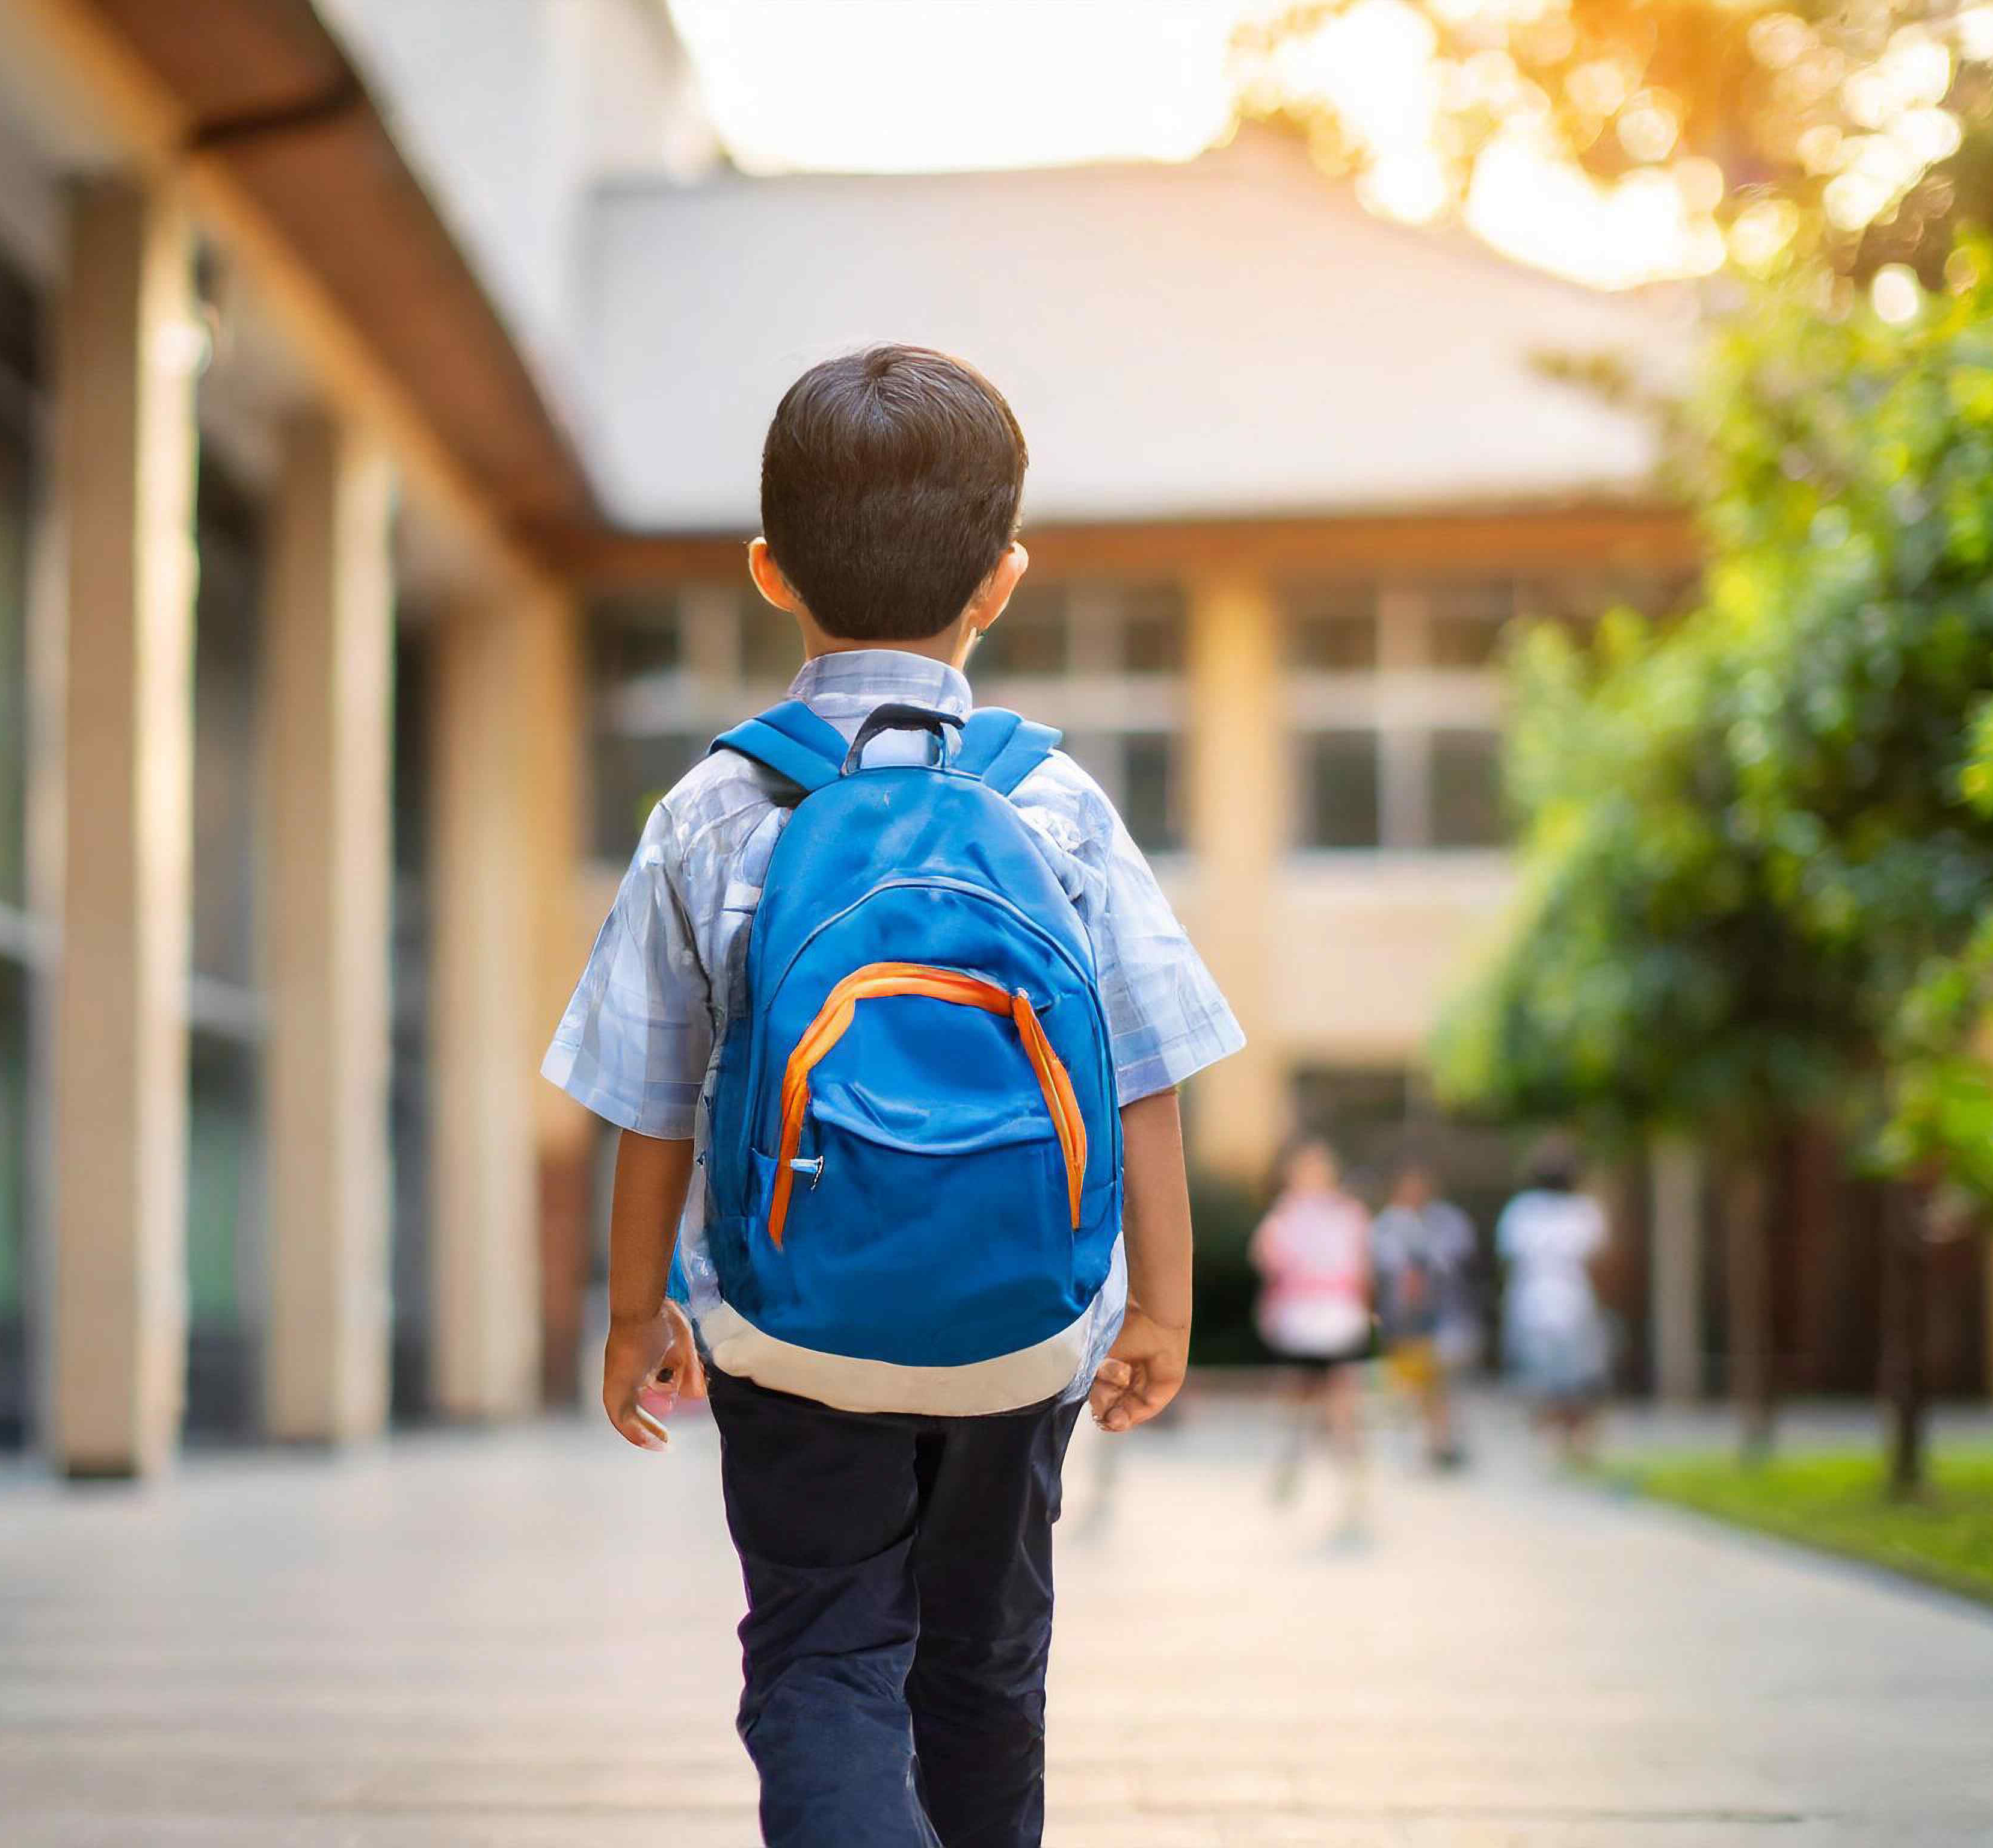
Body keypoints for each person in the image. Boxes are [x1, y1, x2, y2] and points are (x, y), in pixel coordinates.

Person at [543, 345, 1242, 1848]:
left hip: (785, 1328)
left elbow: (650, 1095)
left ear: (769, 571)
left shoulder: (716, 804)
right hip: (1020, 1328)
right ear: (1002, 579)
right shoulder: (1053, 804)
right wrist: (1166, 1310)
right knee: (986, 1663)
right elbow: (1145, 1075)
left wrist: (629, 1312)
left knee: (822, 1649)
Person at [1252, 1139, 1376, 1529]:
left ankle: (1343, 1478)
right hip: (1313, 1318)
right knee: (1306, 1396)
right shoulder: (1307, 1215)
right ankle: (1308, 1466)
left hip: (1327, 1317)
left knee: (1336, 1402)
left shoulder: (1305, 1216)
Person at [1497, 1145, 1609, 1468]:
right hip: (1570, 1302)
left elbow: (1509, 1260)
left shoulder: (1522, 1211)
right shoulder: (1584, 1211)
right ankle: (1565, 1438)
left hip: (1536, 1304)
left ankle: (1559, 1438)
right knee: (1571, 1377)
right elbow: (1600, 1264)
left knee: (1555, 1377)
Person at [1373, 1162, 1479, 1470]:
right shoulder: (1387, 1225)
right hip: (1403, 1320)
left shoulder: (1449, 1222)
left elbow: (1456, 1262)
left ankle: (1441, 1442)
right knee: (1406, 1385)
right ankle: (1411, 1446)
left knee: (1441, 1382)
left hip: (1444, 1316)